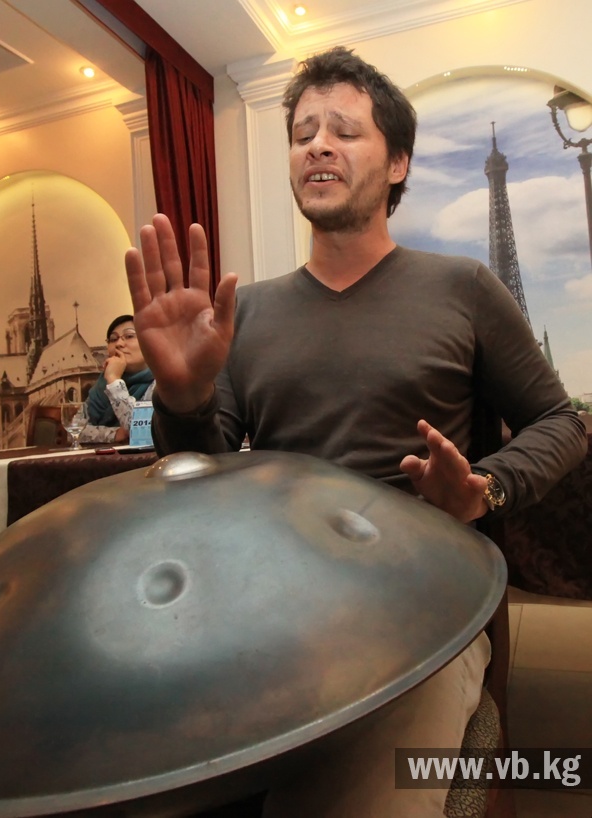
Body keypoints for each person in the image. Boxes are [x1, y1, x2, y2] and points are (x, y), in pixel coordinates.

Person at [123, 47, 587, 817]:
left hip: (424, 611)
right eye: (303, 133)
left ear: (397, 162)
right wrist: (183, 394)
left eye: (344, 130)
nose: (317, 145)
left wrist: (484, 488)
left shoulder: (464, 288)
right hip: (269, 611)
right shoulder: (244, 314)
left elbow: (561, 422)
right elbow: (199, 485)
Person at [78, 314, 154, 444]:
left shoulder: (161, 383)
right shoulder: (102, 385)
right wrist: (113, 434)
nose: (118, 344)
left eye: (129, 336)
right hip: (105, 456)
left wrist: (114, 380)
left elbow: (141, 432)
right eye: (113, 339)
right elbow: (74, 431)